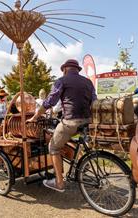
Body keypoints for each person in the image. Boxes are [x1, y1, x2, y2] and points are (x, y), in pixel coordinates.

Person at [27, 59, 97, 192]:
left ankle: (59, 183)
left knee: (53, 147)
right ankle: (80, 166)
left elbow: (49, 102)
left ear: (65, 69)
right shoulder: (88, 82)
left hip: (71, 121)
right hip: (88, 121)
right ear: (77, 70)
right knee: (71, 140)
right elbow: (94, 100)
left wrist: (35, 117)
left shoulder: (62, 80)